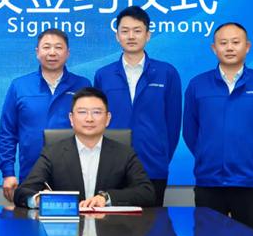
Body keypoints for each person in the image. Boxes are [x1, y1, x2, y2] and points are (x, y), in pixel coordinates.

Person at [183, 22, 253, 232]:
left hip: (250, 182)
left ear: (247, 47)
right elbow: (190, 132)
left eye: (235, 42)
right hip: (209, 182)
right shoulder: (197, 85)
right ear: (214, 48)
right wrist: (208, 154)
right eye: (223, 43)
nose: (229, 47)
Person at [94, 6, 181, 206]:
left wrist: (161, 155)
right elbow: (97, 120)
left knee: (152, 222)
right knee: (110, 223)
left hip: (152, 165)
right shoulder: (103, 75)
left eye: (137, 30)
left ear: (148, 35)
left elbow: (173, 124)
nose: (131, 36)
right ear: (117, 36)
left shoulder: (167, 73)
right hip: (111, 167)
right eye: (125, 31)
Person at [14, 87, 155, 208]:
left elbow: (147, 192)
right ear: (71, 118)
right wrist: (38, 200)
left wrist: (106, 198)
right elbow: (23, 192)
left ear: (108, 119)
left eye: (97, 112)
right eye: (82, 112)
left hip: (111, 228)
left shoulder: (124, 153)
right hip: (67, 228)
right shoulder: (52, 153)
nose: (89, 119)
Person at [0, 28, 91, 202]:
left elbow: (92, 129)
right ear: (37, 52)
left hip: (74, 172)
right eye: (46, 47)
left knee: (77, 217)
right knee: (30, 217)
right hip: (31, 172)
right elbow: (7, 133)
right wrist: (8, 173)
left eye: (58, 47)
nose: (52, 53)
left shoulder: (82, 85)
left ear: (68, 53)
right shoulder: (19, 86)